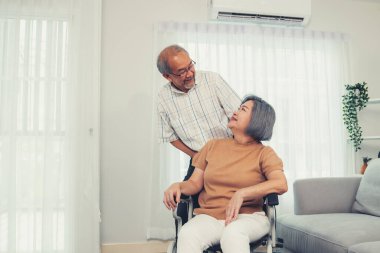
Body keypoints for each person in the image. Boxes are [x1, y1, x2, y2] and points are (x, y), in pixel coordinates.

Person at [163, 95, 288, 253]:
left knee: (233, 233)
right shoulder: (212, 146)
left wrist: (242, 193)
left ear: (257, 119)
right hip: (210, 217)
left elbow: (280, 183)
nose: (235, 112)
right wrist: (178, 186)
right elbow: (194, 183)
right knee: (187, 233)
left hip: (249, 218)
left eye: (243, 109)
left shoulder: (264, 153)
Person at [156, 44, 241, 211]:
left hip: (231, 154)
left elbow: (239, 116)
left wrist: (235, 151)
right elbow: (170, 137)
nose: (189, 73)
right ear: (167, 76)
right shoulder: (163, 98)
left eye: (190, 66)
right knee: (183, 209)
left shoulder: (213, 80)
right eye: (182, 72)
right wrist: (197, 156)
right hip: (198, 158)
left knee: (231, 203)